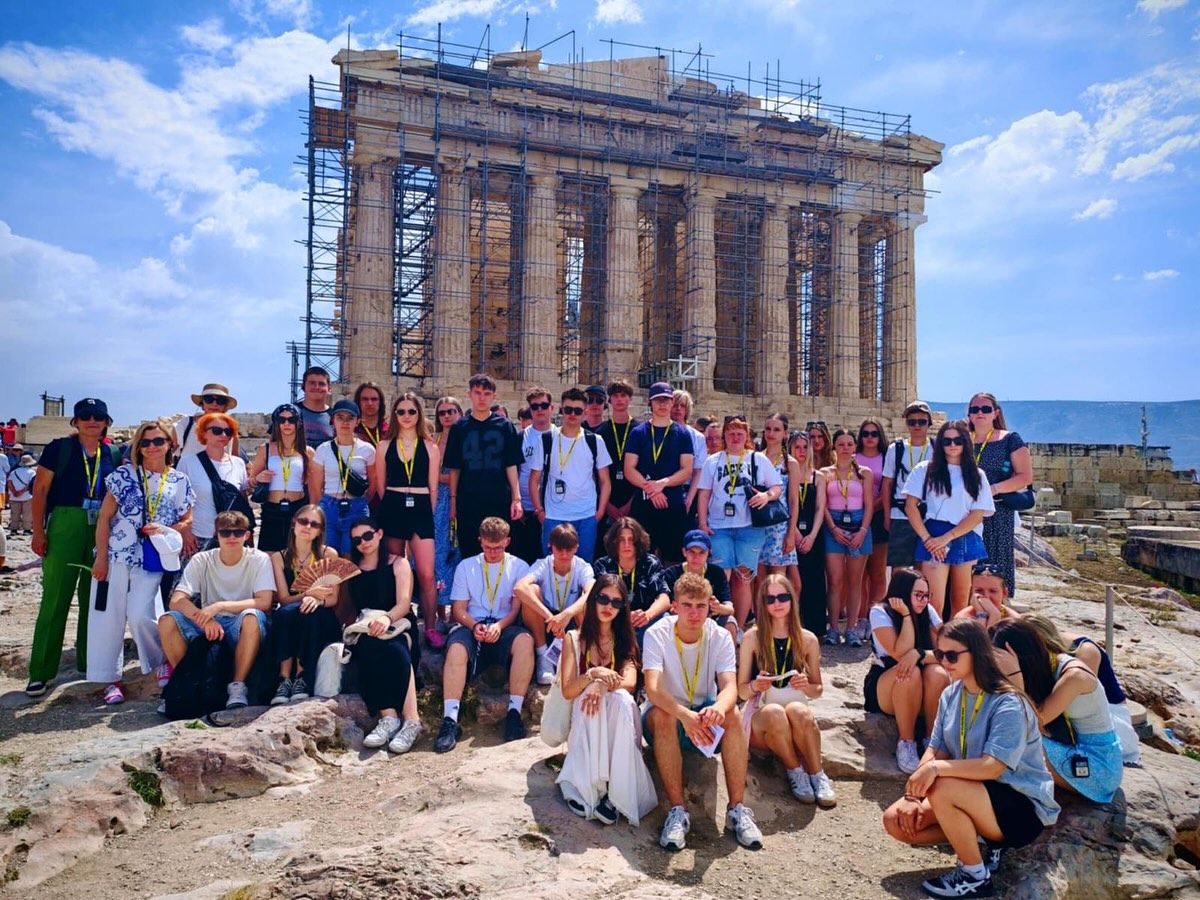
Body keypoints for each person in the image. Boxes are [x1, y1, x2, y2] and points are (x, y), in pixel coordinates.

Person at [882, 618, 1059, 899]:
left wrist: (935, 770)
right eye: (939, 654)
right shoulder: (951, 693)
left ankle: (975, 876)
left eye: (952, 655)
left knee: (942, 786)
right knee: (896, 821)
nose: (944, 662)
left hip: (1020, 805)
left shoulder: (1008, 702)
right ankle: (980, 842)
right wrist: (912, 795)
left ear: (977, 652)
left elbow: (992, 767)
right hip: (972, 792)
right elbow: (936, 748)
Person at [642, 573, 764, 851]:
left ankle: (737, 809)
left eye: (700, 606)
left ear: (710, 606)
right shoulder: (656, 633)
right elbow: (653, 689)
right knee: (663, 715)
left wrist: (718, 708)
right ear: (674, 606)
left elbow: (729, 687)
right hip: (669, 713)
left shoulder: (719, 635)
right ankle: (678, 811)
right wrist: (685, 717)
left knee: (732, 714)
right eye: (687, 605)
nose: (694, 613)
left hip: (704, 713)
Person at [88, 419, 195, 705]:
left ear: (169, 444)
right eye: (145, 442)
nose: (152, 447)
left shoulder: (179, 480)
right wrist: (100, 558)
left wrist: (169, 530)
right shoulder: (123, 475)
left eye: (158, 441)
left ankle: (161, 660)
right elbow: (104, 518)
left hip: (152, 556)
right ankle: (110, 679)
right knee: (107, 617)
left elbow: (188, 518)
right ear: (138, 446)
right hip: (116, 554)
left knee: (141, 614)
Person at [27, 398, 121, 697]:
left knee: (94, 598)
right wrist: (38, 531)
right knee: (56, 598)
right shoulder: (59, 448)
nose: (92, 420)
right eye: (86, 416)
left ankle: (89, 664)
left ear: (106, 422)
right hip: (66, 522)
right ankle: (40, 671)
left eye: (98, 416)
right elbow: (40, 489)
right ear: (76, 421)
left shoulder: (113, 453)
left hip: (101, 525)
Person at [555, 574, 657, 825]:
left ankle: (616, 792)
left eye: (616, 602)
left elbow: (630, 682)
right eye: (602, 598)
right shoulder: (574, 639)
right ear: (593, 600)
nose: (608, 606)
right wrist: (594, 675)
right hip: (585, 715)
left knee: (621, 699)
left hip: (618, 718)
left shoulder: (625, 639)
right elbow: (568, 689)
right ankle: (587, 786)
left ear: (623, 608)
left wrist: (602, 684)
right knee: (589, 700)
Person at [992, 619, 1124, 804]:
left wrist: (1015, 677)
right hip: (1070, 748)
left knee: (1017, 743)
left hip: (1098, 764)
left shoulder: (1073, 676)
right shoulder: (1043, 669)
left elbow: (1033, 723)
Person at [435, 517, 534, 752]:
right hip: (472, 625)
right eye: (488, 547)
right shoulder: (466, 566)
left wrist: (499, 625)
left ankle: (514, 713)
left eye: (498, 547)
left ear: (507, 541)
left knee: (525, 641)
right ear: (480, 541)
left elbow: (515, 610)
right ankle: (450, 720)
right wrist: (474, 625)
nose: (493, 552)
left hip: (504, 625)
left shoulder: (519, 566)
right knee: (456, 648)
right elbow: (458, 610)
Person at [158, 511, 274, 709]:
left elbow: (264, 602)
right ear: (216, 534)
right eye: (225, 533)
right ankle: (185, 681)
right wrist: (203, 619)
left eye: (238, 533)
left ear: (247, 535)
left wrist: (220, 606)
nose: (231, 537)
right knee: (167, 620)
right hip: (209, 624)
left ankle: (237, 686)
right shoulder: (202, 559)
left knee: (252, 617)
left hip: (240, 624)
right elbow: (176, 601)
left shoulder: (259, 559)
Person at [738, 575, 835, 807]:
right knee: (775, 712)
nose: (777, 603)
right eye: (770, 599)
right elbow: (740, 691)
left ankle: (817, 774)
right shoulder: (753, 636)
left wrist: (806, 685)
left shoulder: (808, 639)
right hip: (762, 716)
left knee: (799, 710)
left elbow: (817, 689)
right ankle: (795, 770)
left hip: (795, 713)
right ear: (762, 603)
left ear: (792, 599)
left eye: (782, 597)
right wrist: (754, 686)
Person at [1019, 612, 1141, 766]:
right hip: (1070, 726)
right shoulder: (1048, 657)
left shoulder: (1080, 659)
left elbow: (1040, 719)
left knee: (1018, 746)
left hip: (1105, 731)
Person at [347, 518, 424, 754]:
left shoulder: (398, 563)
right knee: (369, 647)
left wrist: (387, 618)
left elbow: (404, 602)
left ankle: (412, 720)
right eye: (357, 540)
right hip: (367, 627)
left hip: (398, 622)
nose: (363, 543)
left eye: (367, 536)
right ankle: (388, 717)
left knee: (396, 648)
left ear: (379, 534)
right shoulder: (352, 569)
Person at [696, 415, 782, 627]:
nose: (735, 437)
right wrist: (703, 523)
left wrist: (766, 496)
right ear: (724, 436)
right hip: (719, 526)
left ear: (747, 436)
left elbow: (776, 487)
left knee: (744, 578)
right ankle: (716, 624)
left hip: (749, 526)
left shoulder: (758, 459)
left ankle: (739, 626)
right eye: (731, 433)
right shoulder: (713, 461)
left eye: (739, 433)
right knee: (721, 576)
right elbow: (704, 494)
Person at [904, 420, 995, 618]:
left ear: (966, 442)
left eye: (958, 440)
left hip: (965, 534)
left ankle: (955, 637)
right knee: (933, 602)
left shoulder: (977, 475)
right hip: (933, 534)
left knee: (960, 601)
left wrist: (947, 538)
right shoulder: (925, 469)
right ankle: (932, 637)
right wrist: (928, 538)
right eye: (947, 441)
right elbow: (910, 506)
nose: (952, 445)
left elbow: (978, 513)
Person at [865, 568, 950, 774]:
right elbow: (900, 654)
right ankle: (906, 742)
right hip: (888, 683)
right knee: (910, 672)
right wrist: (906, 616)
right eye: (918, 595)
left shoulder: (928, 610)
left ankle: (931, 740)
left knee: (938, 673)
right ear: (902, 593)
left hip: (922, 685)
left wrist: (919, 654)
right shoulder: (880, 612)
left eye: (927, 595)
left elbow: (948, 650)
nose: (923, 600)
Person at [374, 392, 440, 647]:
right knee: (395, 567)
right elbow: (381, 485)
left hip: (421, 507)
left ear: (419, 414)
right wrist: (393, 504)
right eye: (401, 411)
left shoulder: (431, 447)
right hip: (393, 504)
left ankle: (431, 627)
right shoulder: (384, 445)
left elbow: (433, 487)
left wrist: (425, 511)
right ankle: (395, 620)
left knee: (426, 573)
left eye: (411, 411)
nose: (406, 416)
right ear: (394, 414)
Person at [444, 373, 524, 558]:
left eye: (487, 393)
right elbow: (454, 468)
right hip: (468, 501)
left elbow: (511, 465)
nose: (482, 398)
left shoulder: (505, 426)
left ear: (494, 396)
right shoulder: (459, 428)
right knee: (470, 551)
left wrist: (517, 499)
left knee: (500, 551)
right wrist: (453, 501)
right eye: (477, 393)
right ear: (469, 394)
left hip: (499, 499)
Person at [268, 504, 340, 705]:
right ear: (294, 523)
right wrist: (308, 594)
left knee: (310, 613)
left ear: (320, 531)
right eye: (303, 521)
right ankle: (284, 678)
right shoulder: (279, 557)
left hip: (321, 615)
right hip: (291, 613)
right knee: (285, 613)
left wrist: (316, 600)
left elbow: (333, 598)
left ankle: (302, 677)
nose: (308, 527)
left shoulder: (328, 555)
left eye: (314, 524)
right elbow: (283, 599)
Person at [529, 387, 612, 563]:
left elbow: (605, 481)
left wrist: (600, 512)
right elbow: (534, 479)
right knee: (551, 566)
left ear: (585, 412)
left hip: (586, 516)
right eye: (568, 410)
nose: (572, 414)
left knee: (583, 566)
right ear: (561, 410)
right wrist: (539, 511)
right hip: (554, 516)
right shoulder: (546, 439)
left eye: (577, 411)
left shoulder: (595, 441)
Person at [513, 523, 596, 685]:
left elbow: (591, 592)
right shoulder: (542, 564)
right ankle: (542, 656)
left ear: (576, 548)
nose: (564, 555)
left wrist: (566, 615)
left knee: (585, 600)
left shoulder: (583, 566)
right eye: (559, 550)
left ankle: (585, 654)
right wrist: (550, 617)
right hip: (545, 622)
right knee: (532, 590)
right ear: (550, 546)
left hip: (571, 621)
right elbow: (519, 588)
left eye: (569, 550)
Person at [968, 393, 1032, 597]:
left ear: (995, 413)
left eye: (985, 409)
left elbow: (1025, 476)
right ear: (969, 414)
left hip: (997, 510)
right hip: (965, 510)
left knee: (994, 560)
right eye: (974, 409)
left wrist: (992, 490)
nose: (980, 413)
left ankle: (998, 605)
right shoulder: (961, 439)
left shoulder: (1009, 440)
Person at [623, 381, 693, 564]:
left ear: (672, 402)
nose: (662, 404)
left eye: (666, 400)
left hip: (673, 503)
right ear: (650, 403)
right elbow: (629, 469)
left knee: (674, 559)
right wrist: (652, 490)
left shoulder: (683, 434)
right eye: (657, 400)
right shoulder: (638, 433)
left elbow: (687, 470)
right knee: (640, 557)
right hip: (644, 504)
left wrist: (662, 483)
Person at [821, 428, 874, 646]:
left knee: (855, 581)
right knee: (834, 580)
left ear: (855, 446)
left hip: (858, 524)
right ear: (834, 446)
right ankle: (833, 628)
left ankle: (851, 628)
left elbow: (869, 504)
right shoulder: (825, 473)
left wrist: (863, 530)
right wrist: (832, 528)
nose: (845, 448)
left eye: (849, 444)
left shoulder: (864, 473)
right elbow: (823, 505)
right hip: (833, 525)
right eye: (841, 444)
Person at [309, 399, 377, 556]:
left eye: (350, 418)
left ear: (357, 421)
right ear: (333, 420)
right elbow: (316, 486)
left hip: (356, 507)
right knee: (327, 556)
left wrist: (361, 501)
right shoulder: (323, 449)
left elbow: (373, 483)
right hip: (329, 506)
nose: (345, 422)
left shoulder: (367, 450)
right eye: (340, 417)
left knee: (351, 557)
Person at [176, 412, 250, 554]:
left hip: (230, 537)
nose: (223, 435)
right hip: (197, 537)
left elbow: (242, 500)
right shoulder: (187, 463)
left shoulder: (238, 463)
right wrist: (185, 531)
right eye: (217, 430)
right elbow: (178, 502)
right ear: (204, 433)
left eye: (228, 431)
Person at [589, 518, 671, 640]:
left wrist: (647, 615)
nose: (626, 544)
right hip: (613, 619)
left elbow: (664, 598)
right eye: (621, 540)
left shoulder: (650, 563)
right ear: (614, 542)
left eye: (631, 539)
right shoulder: (602, 565)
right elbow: (593, 600)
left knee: (665, 618)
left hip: (644, 620)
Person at [248, 404, 311, 553]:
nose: (286, 423)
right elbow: (250, 482)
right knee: (269, 555)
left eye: (291, 419)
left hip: (298, 508)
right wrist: (258, 478)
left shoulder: (308, 452)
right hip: (272, 508)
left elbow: (313, 485)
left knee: (296, 554)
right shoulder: (265, 449)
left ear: (299, 422)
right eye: (282, 420)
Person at [882, 400, 934, 571]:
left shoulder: (937, 448)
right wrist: (887, 516)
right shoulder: (895, 449)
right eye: (912, 422)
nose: (917, 426)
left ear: (929, 423)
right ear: (906, 423)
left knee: (924, 567)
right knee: (899, 569)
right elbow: (887, 484)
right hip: (900, 514)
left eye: (922, 422)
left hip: (928, 514)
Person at [662, 530, 736, 644]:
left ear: (709, 553)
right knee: (665, 619)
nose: (696, 558)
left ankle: (729, 656)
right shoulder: (671, 574)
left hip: (710, 620)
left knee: (730, 621)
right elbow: (666, 605)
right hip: (681, 619)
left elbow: (730, 609)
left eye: (701, 553)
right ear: (684, 552)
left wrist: (718, 607)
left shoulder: (717, 573)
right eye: (692, 552)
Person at [789, 430, 827, 637]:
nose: (802, 451)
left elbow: (821, 508)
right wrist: (795, 531)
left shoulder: (817, 476)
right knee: (794, 581)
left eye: (805, 447)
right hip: (791, 532)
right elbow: (787, 505)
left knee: (814, 579)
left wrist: (811, 535)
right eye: (797, 447)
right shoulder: (786, 473)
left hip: (813, 534)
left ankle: (815, 627)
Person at [595, 379, 639, 558]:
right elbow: (594, 474)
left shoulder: (640, 431)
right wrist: (607, 506)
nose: (619, 399)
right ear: (610, 400)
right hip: (607, 502)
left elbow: (643, 470)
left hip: (633, 500)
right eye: (615, 396)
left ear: (630, 399)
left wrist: (631, 503)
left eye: (623, 395)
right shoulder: (600, 433)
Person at [757, 414, 801, 587]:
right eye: (768, 429)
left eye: (776, 430)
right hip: (756, 523)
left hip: (779, 526)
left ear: (785, 433)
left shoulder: (790, 463)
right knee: (758, 581)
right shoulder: (755, 457)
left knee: (778, 581)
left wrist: (791, 533)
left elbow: (793, 501)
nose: (771, 433)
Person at [514, 387, 556, 564]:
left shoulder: (559, 436)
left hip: (552, 509)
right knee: (524, 561)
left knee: (549, 560)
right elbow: (514, 472)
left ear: (551, 408)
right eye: (535, 406)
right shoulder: (520, 437)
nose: (540, 410)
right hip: (525, 511)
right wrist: (517, 502)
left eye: (544, 405)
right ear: (530, 409)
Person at [856, 417, 890, 633]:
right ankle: (860, 618)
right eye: (865, 434)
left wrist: (872, 508)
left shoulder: (887, 458)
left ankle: (875, 616)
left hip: (877, 517)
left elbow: (887, 488)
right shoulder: (853, 458)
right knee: (860, 574)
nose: (869, 438)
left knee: (877, 572)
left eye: (874, 434)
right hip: (855, 517)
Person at [433, 397, 463, 616]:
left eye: (451, 411)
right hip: (437, 502)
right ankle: (439, 610)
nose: (447, 416)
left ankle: (456, 613)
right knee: (438, 554)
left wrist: (441, 477)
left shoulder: (466, 439)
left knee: (459, 555)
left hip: (461, 499)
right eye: (442, 412)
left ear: (459, 413)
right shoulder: (433, 440)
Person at [174, 384, 240, 460]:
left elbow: (235, 459)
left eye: (220, 401)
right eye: (209, 399)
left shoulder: (230, 429)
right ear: (202, 404)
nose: (214, 404)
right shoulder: (185, 423)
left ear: (225, 406)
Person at [672, 389, 709, 519]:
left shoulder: (698, 437)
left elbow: (698, 471)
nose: (678, 409)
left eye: (682, 405)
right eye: (675, 405)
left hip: (688, 490)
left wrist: (689, 499)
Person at [297, 366, 333, 448]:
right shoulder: (289, 413)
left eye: (321, 384)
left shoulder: (336, 417)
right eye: (312, 383)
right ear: (303, 386)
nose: (317, 387)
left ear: (329, 389)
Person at [7, 453, 37, 534]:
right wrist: (21, 492)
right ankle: (27, 529)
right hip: (27, 496)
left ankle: (14, 529)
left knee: (14, 514)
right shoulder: (32, 472)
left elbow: (9, 482)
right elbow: (31, 484)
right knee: (27, 513)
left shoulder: (14, 472)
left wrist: (14, 492)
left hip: (14, 497)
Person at [353, 382, 388, 449]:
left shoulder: (390, 431)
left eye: (374, 399)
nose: (370, 403)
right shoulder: (352, 430)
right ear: (358, 402)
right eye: (365, 399)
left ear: (380, 402)